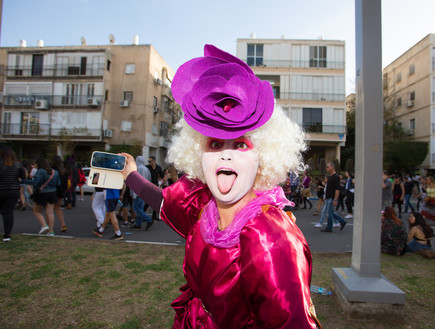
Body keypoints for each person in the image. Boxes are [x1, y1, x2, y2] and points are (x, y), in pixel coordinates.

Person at [121, 45, 318, 328]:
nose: (226, 154)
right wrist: (130, 176)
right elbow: (164, 201)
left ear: (262, 159)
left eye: (240, 144)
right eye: (215, 144)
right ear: (198, 155)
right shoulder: (204, 208)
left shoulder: (270, 240)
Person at [23, 158, 61, 236]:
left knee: (37, 211)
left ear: (39, 164)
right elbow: (58, 183)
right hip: (52, 193)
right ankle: (51, 231)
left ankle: (44, 225)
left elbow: (35, 182)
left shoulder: (40, 171)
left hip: (41, 193)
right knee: (50, 212)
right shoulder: (55, 172)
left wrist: (23, 181)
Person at [0, 147, 26, 241]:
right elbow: (23, 177)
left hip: (1, 189)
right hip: (13, 190)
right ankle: (7, 235)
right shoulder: (18, 165)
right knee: (8, 213)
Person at [320, 162, 347, 232]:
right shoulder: (330, 176)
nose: (326, 168)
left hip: (331, 198)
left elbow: (337, 189)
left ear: (332, 167)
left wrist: (335, 199)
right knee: (330, 212)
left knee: (329, 213)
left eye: (328, 167)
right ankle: (342, 221)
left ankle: (329, 227)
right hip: (328, 197)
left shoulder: (336, 177)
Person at [130, 156, 153, 231]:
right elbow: (149, 180)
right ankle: (138, 223)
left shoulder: (137, 169)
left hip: (137, 191)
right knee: (140, 208)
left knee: (136, 207)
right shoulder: (146, 169)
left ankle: (148, 220)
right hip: (144, 191)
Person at [51, 155, 68, 232]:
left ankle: (50, 226)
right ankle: (63, 223)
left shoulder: (52, 170)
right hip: (61, 192)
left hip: (53, 191)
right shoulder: (64, 170)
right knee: (58, 208)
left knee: (50, 209)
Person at [146, 156, 164, 220]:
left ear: (154, 161)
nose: (149, 162)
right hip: (149, 185)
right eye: (148, 161)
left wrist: (162, 183)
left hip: (155, 185)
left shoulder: (158, 167)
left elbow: (162, 176)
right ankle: (143, 213)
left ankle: (154, 215)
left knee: (154, 201)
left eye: (150, 161)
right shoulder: (147, 167)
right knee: (147, 200)